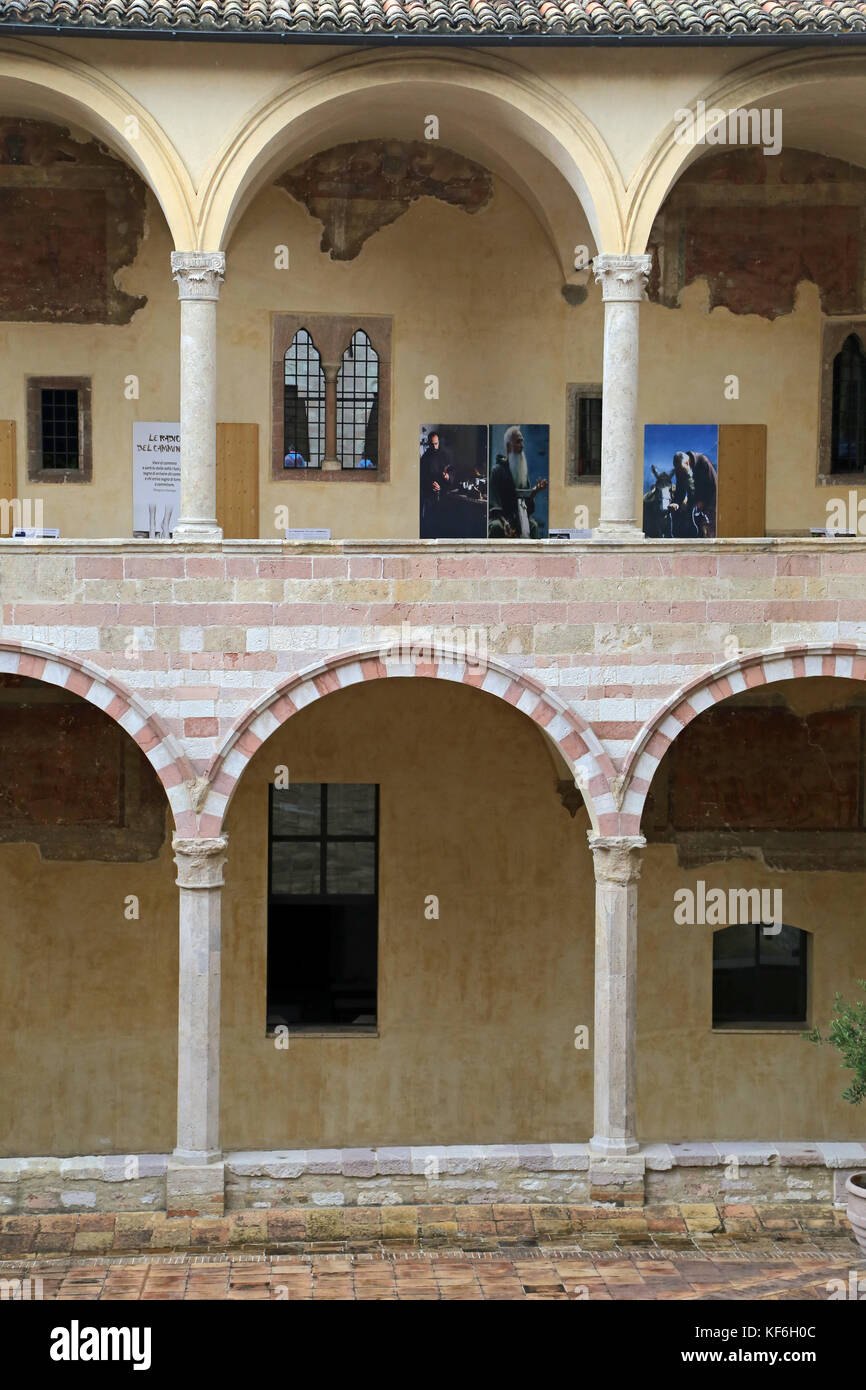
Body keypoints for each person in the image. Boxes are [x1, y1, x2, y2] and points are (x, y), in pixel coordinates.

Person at [488, 426, 547, 538]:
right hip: (501, 518)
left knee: (533, 525)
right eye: (518, 442)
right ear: (509, 446)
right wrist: (505, 522)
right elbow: (494, 504)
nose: (522, 446)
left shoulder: (521, 472)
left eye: (522, 442)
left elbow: (527, 506)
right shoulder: (497, 471)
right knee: (496, 527)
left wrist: (534, 492)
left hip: (519, 517)